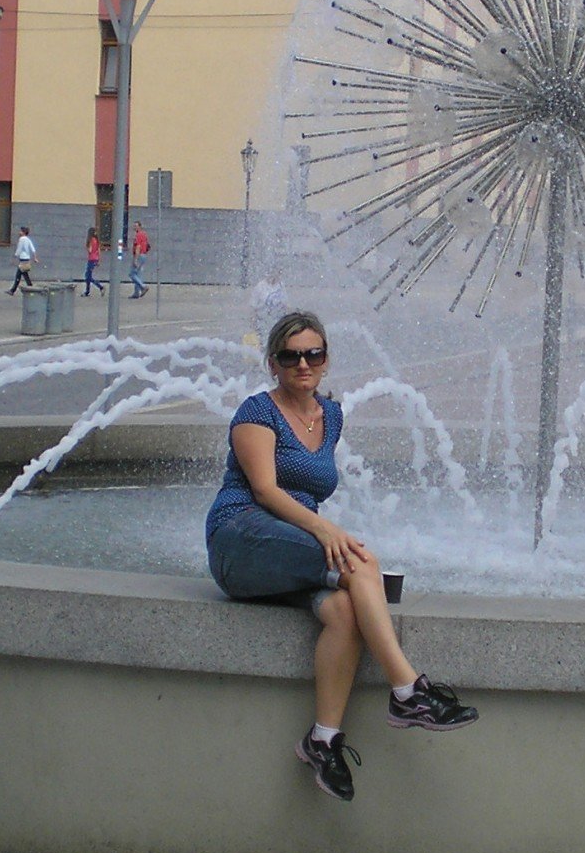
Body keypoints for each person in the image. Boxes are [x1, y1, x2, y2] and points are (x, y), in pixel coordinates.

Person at [204, 310, 477, 801]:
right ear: (273, 363)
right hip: (240, 539)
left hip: (289, 546)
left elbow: (308, 494)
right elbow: (265, 491)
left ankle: (323, 740)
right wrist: (325, 529)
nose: (302, 364)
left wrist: (320, 533)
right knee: (358, 560)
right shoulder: (256, 413)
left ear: (326, 360)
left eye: (313, 354)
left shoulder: (331, 416)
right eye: (290, 356)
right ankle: (407, 691)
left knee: (346, 610)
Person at [7, 226, 38, 295]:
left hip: (23, 259)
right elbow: (33, 249)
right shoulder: (28, 239)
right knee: (24, 275)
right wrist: (35, 257)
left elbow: (19, 249)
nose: (19, 232)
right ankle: (30, 287)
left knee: (18, 275)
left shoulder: (22, 239)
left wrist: (15, 256)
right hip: (27, 259)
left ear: (23, 232)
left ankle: (13, 290)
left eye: (20, 231)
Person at [128, 221, 150, 298]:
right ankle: (136, 293)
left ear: (140, 226)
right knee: (138, 274)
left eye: (136, 226)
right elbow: (147, 245)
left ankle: (143, 287)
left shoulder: (138, 235)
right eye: (134, 226)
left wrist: (135, 259)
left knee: (132, 274)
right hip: (144, 255)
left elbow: (138, 247)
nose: (134, 227)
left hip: (139, 255)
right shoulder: (144, 234)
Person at [80, 229, 104, 296]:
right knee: (88, 276)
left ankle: (100, 287)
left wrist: (87, 247)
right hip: (95, 259)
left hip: (91, 259)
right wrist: (98, 259)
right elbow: (99, 250)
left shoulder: (91, 240)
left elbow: (90, 250)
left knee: (88, 276)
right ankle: (87, 291)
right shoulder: (97, 240)